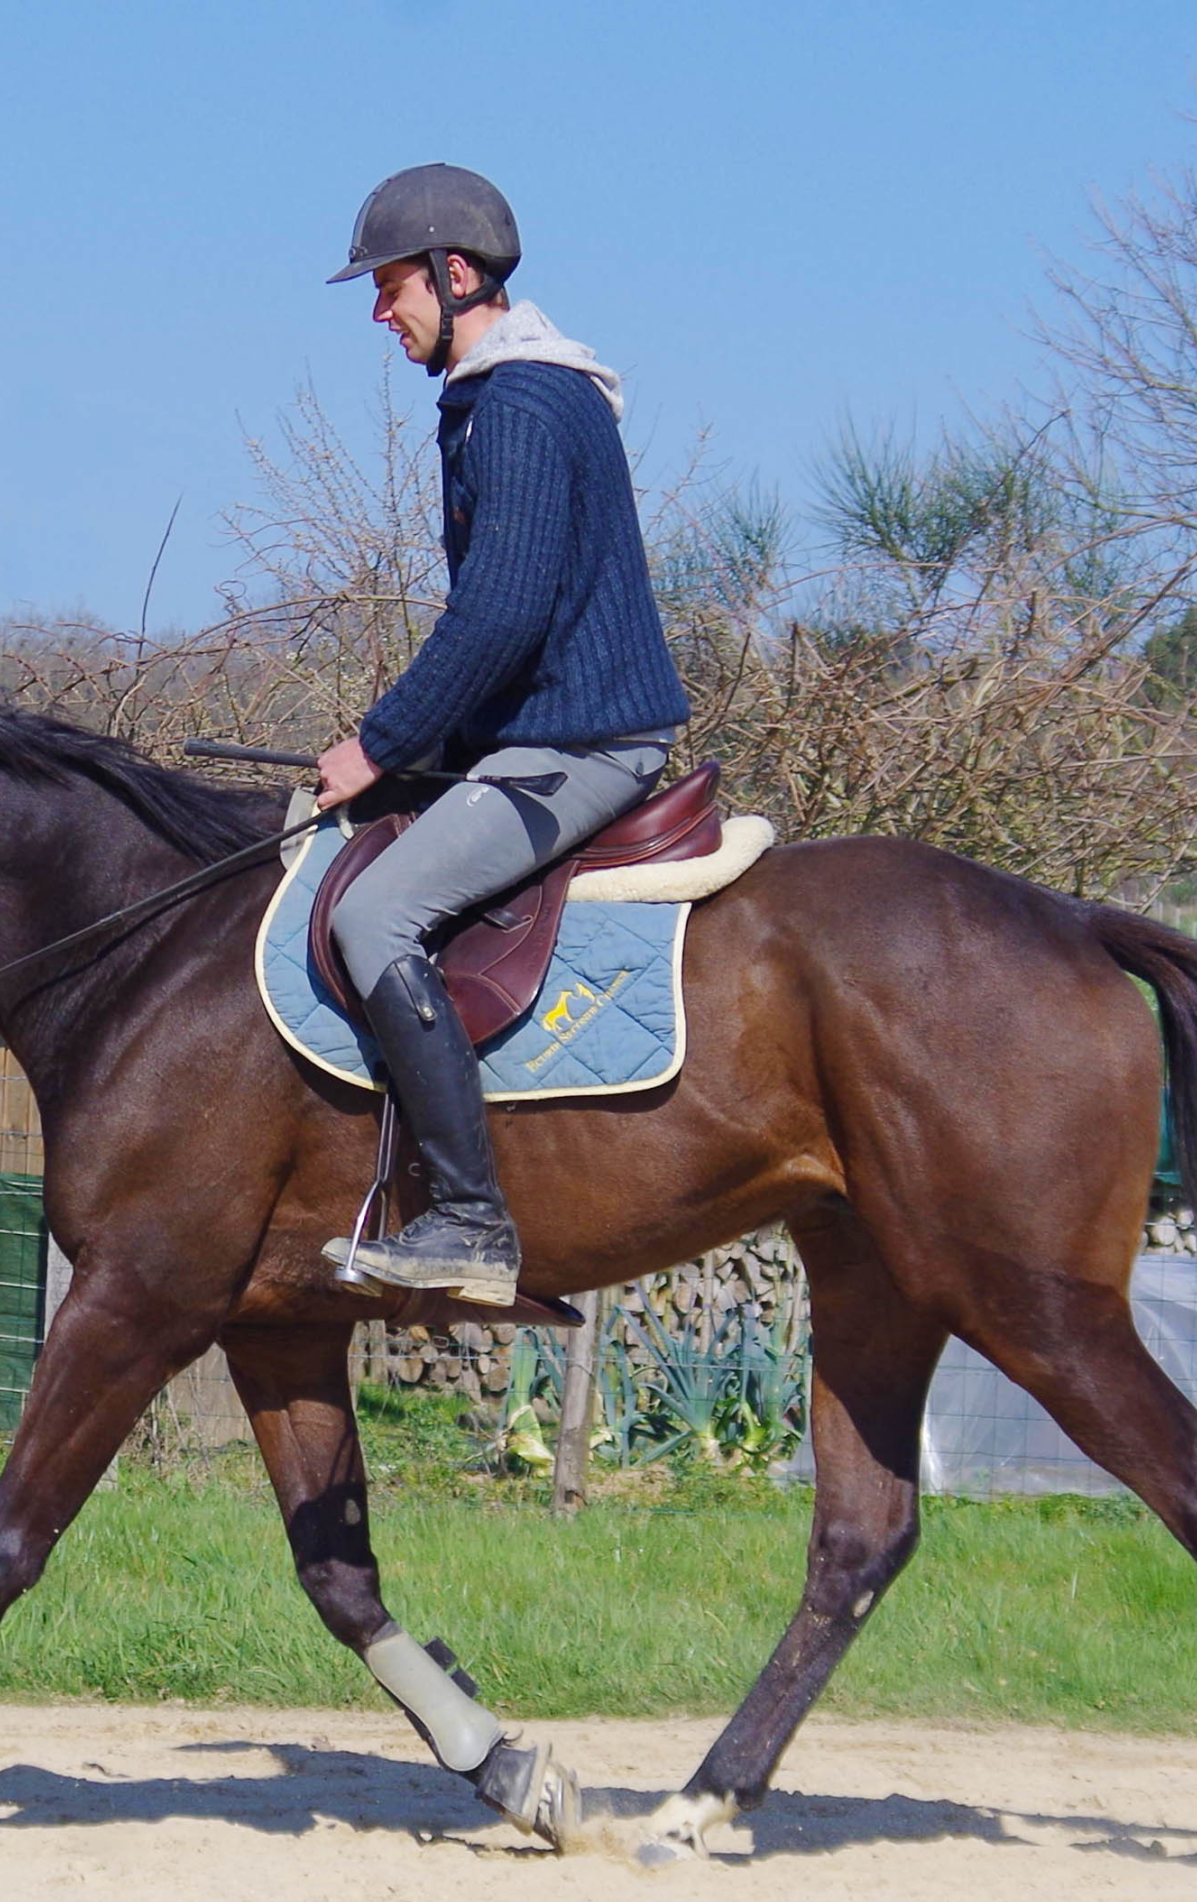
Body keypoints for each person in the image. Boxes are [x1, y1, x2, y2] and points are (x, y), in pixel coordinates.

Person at [314, 163, 691, 1306]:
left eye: (392, 290)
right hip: (544, 731)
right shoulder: (498, 398)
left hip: (583, 742)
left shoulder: (520, 403)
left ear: (454, 271)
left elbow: (503, 614)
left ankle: (472, 1223)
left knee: (378, 913)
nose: (383, 315)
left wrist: (380, 744)